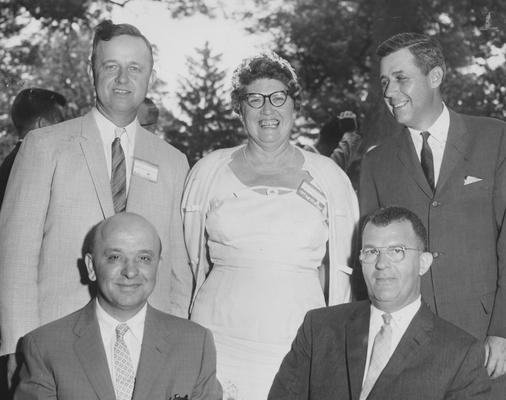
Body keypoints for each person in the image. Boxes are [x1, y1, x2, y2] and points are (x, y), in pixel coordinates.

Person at [0, 20, 191, 387]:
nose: (123, 78)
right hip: (54, 345)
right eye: (111, 66)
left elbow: (179, 269)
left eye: (135, 68)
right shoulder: (44, 146)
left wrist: (176, 341)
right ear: (92, 71)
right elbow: (15, 256)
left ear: (149, 76)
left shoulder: (173, 161)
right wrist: (16, 344)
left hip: (148, 350)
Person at [182, 52, 359, 400]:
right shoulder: (208, 171)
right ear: (239, 108)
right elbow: (188, 257)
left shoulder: (330, 177)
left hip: (297, 339)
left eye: (278, 98)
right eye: (255, 99)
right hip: (218, 336)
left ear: (294, 106)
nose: (267, 110)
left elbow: (346, 271)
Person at [358, 32, 506, 397]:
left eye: (401, 78)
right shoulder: (376, 162)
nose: (389, 91)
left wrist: (503, 329)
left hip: (485, 342)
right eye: (384, 82)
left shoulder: (496, 138)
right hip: (409, 347)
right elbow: (370, 259)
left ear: (435, 76)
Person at [269, 206, 491, 399]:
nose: (382, 263)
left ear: (423, 263)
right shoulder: (319, 328)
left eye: (397, 251)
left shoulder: (460, 355)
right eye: (372, 251)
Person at [13, 212, 222, 400]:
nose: (130, 271)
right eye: (115, 257)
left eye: (144, 258)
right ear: (91, 267)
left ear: (157, 266)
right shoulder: (45, 346)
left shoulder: (195, 343)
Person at [0, 88, 66, 207]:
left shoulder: (11, 162)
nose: (66, 129)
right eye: (60, 122)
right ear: (43, 126)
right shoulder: (35, 167)